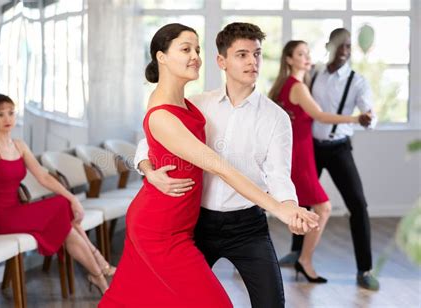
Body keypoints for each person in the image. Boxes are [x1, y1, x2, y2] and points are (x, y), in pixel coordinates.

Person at [130, 23, 319, 308]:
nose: (252, 61)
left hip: (248, 226)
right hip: (197, 224)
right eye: (242, 54)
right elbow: (149, 141)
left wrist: (289, 207)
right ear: (222, 61)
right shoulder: (196, 105)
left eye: (257, 54)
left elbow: (279, 174)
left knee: (271, 303)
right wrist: (148, 170)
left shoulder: (276, 118)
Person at [0, 94, 114, 294]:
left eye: (11, 113)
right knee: (60, 206)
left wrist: (72, 198)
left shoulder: (20, 146)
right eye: (0, 114)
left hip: (17, 210)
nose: (7, 119)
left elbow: (44, 177)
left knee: (65, 220)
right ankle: (99, 264)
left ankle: (99, 278)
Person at [278, 28, 380, 291]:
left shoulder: (357, 81)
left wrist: (367, 119)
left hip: (337, 148)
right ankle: (297, 252)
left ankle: (365, 269)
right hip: (310, 146)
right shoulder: (314, 74)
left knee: (357, 204)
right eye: (340, 45)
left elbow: (369, 112)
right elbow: (299, 107)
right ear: (329, 46)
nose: (345, 50)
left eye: (349, 46)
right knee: (301, 199)